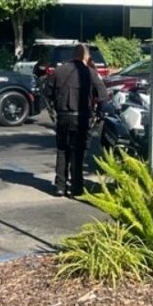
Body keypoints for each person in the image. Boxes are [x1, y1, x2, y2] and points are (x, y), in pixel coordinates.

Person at [43, 43, 107, 197]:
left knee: (62, 150)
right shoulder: (90, 73)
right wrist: (100, 112)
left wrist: (54, 109)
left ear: (73, 55)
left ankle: (60, 186)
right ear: (85, 56)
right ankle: (77, 186)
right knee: (77, 152)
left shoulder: (58, 71)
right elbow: (103, 95)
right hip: (81, 117)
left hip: (63, 116)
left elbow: (47, 92)